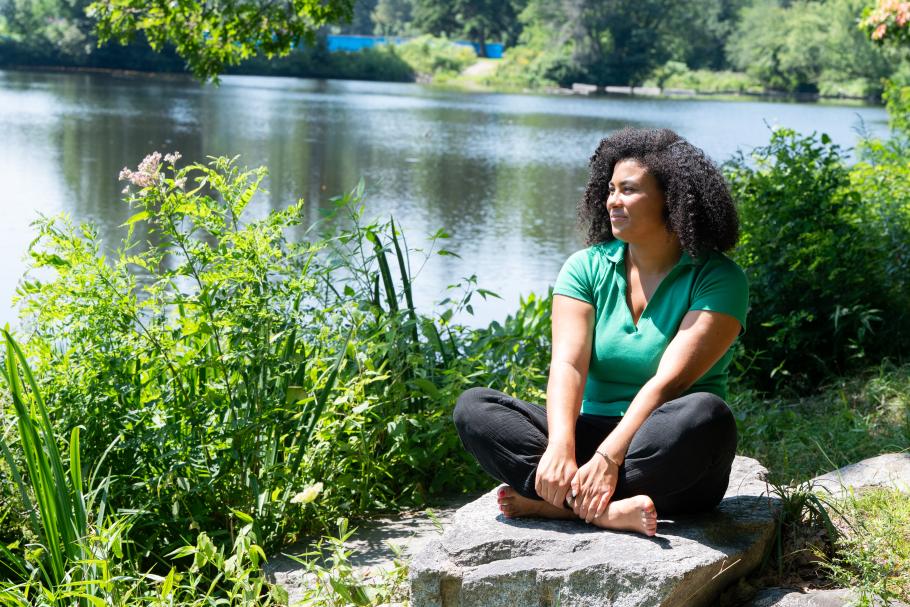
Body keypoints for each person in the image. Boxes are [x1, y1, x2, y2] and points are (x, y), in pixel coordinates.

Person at [453, 127, 748, 537]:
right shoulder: (585, 266)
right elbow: (568, 365)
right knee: (474, 408)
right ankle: (603, 508)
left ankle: (561, 506)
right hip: (592, 434)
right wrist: (561, 445)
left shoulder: (719, 279)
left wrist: (609, 458)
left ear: (672, 199)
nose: (612, 201)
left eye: (628, 190)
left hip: (664, 446)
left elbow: (668, 383)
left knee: (707, 416)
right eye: (609, 189)